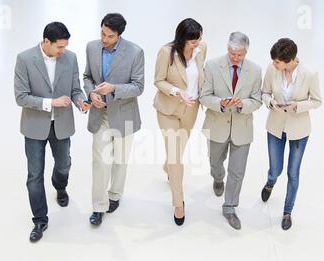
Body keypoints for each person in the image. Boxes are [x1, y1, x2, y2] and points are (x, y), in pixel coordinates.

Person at [14, 22, 90, 242]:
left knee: (64, 163)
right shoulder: (25, 59)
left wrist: (80, 101)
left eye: (65, 47)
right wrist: (51, 102)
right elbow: (21, 97)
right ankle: (40, 219)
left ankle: (60, 186)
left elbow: (75, 88)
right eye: (59, 47)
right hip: (34, 126)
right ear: (46, 42)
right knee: (34, 175)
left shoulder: (70, 57)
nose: (62, 51)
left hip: (62, 124)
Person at [83, 13, 145, 226]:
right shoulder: (92, 47)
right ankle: (99, 207)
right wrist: (91, 94)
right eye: (102, 33)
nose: (104, 38)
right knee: (100, 161)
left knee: (120, 159)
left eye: (109, 36)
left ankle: (115, 195)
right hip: (100, 114)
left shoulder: (135, 52)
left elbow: (138, 86)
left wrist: (113, 89)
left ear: (119, 35)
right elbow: (87, 77)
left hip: (124, 115)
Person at [200, 31, 262, 230]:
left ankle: (229, 208)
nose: (235, 58)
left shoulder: (255, 70)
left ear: (246, 52)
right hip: (217, 124)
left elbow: (257, 100)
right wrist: (222, 103)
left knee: (237, 172)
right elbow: (204, 96)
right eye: (232, 53)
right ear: (227, 49)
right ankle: (218, 178)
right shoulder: (211, 66)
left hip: (242, 128)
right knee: (215, 162)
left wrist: (242, 104)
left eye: (240, 54)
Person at [260, 38, 322, 230]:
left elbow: (317, 101)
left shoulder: (309, 74)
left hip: (299, 131)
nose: (273, 64)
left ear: (288, 61)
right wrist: (271, 103)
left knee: (293, 173)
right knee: (276, 168)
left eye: (277, 62)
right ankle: (271, 181)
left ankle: (287, 211)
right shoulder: (272, 71)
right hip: (276, 127)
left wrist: (299, 106)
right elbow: (264, 92)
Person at [154, 18, 207, 226]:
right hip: (168, 110)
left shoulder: (202, 48)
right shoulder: (166, 52)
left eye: (198, 39)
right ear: (182, 38)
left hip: (191, 110)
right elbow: (158, 80)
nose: (196, 44)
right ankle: (178, 203)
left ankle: (168, 168)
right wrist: (177, 92)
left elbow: (200, 75)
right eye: (192, 41)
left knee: (177, 152)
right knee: (176, 157)